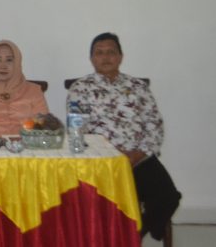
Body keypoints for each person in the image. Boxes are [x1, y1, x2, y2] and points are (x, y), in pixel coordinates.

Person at [67, 32, 181, 241]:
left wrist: (137, 154)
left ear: (120, 57)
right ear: (92, 58)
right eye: (99, 53)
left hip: (138, 159)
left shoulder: (137, 87)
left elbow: (154, 125)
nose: (105, 57)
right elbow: (77, 130)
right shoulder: (80, 89)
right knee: (91, 202)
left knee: (168, 197)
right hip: (101, 162)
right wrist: (109, 153)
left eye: (111, 52)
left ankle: (135, 234)